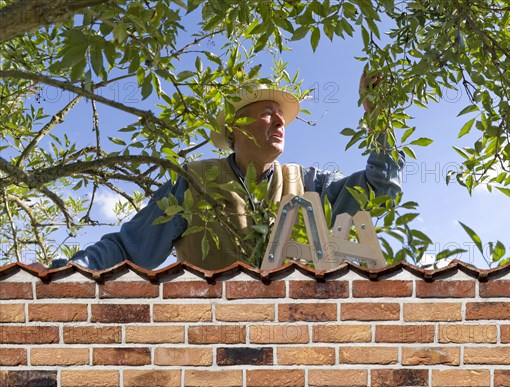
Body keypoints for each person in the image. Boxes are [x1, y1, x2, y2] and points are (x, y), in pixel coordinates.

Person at [46, 74, 404, 271]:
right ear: (235, 125)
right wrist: (71, 272)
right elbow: (129, 248)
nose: (280, 120)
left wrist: (380, 119)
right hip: (212, 343)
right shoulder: (193, 183)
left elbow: (381, 189)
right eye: (267, 112)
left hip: (293, 346)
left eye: (281, 116)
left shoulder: (309, 184)